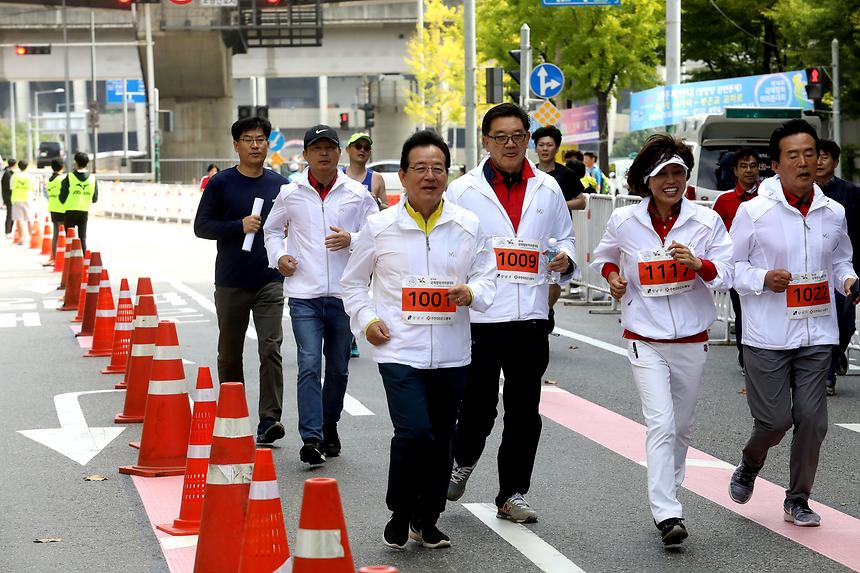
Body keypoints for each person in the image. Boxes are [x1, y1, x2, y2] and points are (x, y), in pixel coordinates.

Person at [341, 130, 496, 550]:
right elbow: (352, 285)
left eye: (438, 168)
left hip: (451, 352)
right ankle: (400, 510)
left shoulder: (467, 226)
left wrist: (473, 293)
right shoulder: (379, 227)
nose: (430, 176)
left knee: (444, 437)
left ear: (448, 175)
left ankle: (427, 518)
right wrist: (368, 319)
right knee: (414, 432)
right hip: (399, 348)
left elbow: (488, 277)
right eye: (420, 169)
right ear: (404, 177)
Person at [591, 134, 733, 547]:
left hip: (692, 337)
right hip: (644, 335)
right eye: (662, 174)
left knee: (682, 427)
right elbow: (604, 256)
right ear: (647, 180)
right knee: (661, 422)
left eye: (678, 173)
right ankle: (667, 512)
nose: (671, 181)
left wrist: (699, 264)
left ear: (687, 178)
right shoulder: (624, 220)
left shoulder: (706, 221)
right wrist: (613, 278)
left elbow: (727, 271)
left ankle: (668, 496)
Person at [444, 103, 576, 523]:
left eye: (518, 136)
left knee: (525, 411)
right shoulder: (463, 191)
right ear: (486, 142)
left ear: (529, 139)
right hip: (481, 318)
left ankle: (512, 493)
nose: (510, 144)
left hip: (531, 317)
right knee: (477, 407)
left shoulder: (548, 188)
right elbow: (449, 249)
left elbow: (565, 239)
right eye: (500, 137)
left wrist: (566, 261)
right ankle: (462, 461)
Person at [728, 119, 858, 527]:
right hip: (767, 334)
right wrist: (762, 278)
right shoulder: (754, 212)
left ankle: (798, 497)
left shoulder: (832, 212)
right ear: (775, 164)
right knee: (774, 420)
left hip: (818, 330)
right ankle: (751, 462)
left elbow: (839, 261)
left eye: (810, 154)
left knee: (813, 420)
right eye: (793, 155)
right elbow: (731, 268)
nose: (804, 163)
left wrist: (849, 280)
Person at [263, 125, 378, 466]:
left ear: (339, 153)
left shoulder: (357, 194)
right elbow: (271, 230)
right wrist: (278, 257)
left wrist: (352, 240)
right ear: (307, 155)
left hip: (345, 295)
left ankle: (330, 426)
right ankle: (311, 438)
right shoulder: (291, 192)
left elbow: (378, 234)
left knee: (340, 369)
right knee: (310, 363)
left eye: (330, 147)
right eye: (317, 148)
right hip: (304, 293)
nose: (324, 154)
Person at [194, 116, 288, 447]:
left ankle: (269, 419)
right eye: (248, 139)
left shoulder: (279, 184)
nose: (255, 145)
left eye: (260, 139)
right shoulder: (221, 184)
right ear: (236, 145)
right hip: (231, 280)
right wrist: (239, 225)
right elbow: (201, 227)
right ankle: (233, 414)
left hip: (269, 279)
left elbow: (297, 224)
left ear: (268, 143)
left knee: (270, 347)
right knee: (229, 353)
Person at [815, 139, 860, 396]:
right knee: (823, 324)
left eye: (825, 156)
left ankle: (837, 353)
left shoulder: (852, 193)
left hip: (845, 270)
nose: (819, 161)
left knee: (846, 325)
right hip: (814, 271)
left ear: (835, 161)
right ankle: (827, 374)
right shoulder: (804, 192)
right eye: (816, 156)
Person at [532, 125, 585, 331]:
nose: (545, 149)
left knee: (553, 274)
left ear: (557, 148)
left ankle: (548, 309)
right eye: (541, 145)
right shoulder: (530, 173)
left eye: (549, 145)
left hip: (557, 234)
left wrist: (559, 204)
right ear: (535, 148)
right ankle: (538, 312)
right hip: (536, 232)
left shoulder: (566, 174)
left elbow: (581, 201)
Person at [712, 148, 761, 372]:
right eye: (744, 166)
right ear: (735, 171)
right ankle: (746, 356)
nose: (749, 170)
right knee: (742, 313)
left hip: (764, 267)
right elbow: (714, 234)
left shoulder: (769, 198)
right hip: (737, 267)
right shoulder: (724, 200)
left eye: (753, 165)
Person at [59, 152, 97, 252]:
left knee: (70, 239)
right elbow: (95, 198)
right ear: (87, 163)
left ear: (76, 163)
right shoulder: (92, 178)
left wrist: (63, 202)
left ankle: (69, 262)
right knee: (82, 239)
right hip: (84, 211)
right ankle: (83, 262)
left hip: (70, 211)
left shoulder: (70, 177)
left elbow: (62, 196)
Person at [344, 132, 388, 209]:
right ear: (348, 149)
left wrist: (376, 203)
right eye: (358, 146)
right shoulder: (338, 175)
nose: (362, 150)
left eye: (366, 148)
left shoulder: (376, 178)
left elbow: (387, 210)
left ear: (370, 153)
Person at [10, 160, 35, 246]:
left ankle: (22, 239)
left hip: (17, 198)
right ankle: (32, 238)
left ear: (18, 166)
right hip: (28, 199)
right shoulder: (30, 177)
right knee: (29, 219)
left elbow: (11, 187)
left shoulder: (14, 176)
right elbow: (34, 188)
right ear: (26, 166)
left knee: (19, 219)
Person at [46, 158, 67, 260]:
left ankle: (54, 256)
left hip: (53, 209)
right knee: (65, 234)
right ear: (62, 167)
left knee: (56, 234)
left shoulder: (50, 180)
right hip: (62, 209)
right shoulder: (62, 179)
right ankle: (64, 257)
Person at [2, 158, 17, 239]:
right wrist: (5, 200)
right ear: (14, 165)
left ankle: (9, 231)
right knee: (10, 215)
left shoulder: (9, 173)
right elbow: (6, 187)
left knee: (12, 215)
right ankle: (8, 232)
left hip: (10, 197)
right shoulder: (7, 174)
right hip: (9, 197)